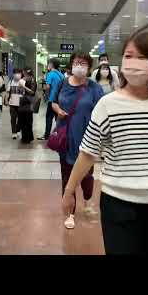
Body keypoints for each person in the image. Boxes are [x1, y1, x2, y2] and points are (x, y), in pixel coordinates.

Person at [61, 32, 148, 255]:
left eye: (142, 57)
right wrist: (69, 191)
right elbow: (88, 153)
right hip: (119, 202)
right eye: (129, 55)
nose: (133, 63)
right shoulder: (108, 104)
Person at [52, 52, 104, 229]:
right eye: (76, 62)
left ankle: (88, 200)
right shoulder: (62, 83)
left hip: (87, 138)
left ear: (89, 67)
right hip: (66, 137)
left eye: (83, 63)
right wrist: (58, 110)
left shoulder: (95, 88)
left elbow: (102, 113)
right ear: (71, 65)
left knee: (86, 176)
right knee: (67, 176)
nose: (79, 66)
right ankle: (70, 213)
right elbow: (52, 101)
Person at [38, 59, 64, 140]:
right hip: (59, 100)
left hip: (52, 99)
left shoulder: (50, 74)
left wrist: (46, 95)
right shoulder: (61, 74)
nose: (48, 65)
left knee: (49, 117)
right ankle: (60, 134)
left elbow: (48, 87)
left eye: (48, 64)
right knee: (58, 118)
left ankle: (46, 135)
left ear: (52, 65)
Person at [18, 67, 37, 144]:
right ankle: (24, 137)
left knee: (28, 120)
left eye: (23, 72)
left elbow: (32, 92)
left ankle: (28, 137)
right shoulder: (22, 79)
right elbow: (19, 90)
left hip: (28, 102)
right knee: (22, 120)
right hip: (22, 101)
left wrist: (24, 87)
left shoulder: (32, 79)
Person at [6, 68, 25, 140]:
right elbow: (8, 92)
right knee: (13, 118)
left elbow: (26, 92)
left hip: (21, 103)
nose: (17, 75)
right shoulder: (10, 82)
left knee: (20, 118)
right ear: (13, 74)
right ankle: (13, 133)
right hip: (12, 103)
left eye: (19, 73)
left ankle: (18, 130)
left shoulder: (23, 82)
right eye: (15, 73)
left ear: (21, 74)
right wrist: (6, 100)